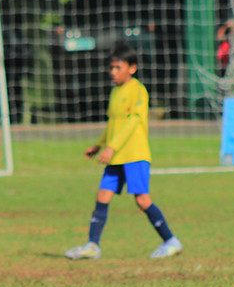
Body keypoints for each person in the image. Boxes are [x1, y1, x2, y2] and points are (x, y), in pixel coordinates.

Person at [64, 44, 183, 261]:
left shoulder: (137, 90)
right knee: (102, 196)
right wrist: (99, 144)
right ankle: (92, 245)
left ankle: (171, 240)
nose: (113, 72)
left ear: (132, 68)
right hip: (116, 155)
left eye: (118, 67)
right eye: (111, 67)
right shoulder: (116, 91)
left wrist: (111, 147)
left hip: (134, 154)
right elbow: (114, 124)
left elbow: (133, 121)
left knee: (142, 200)